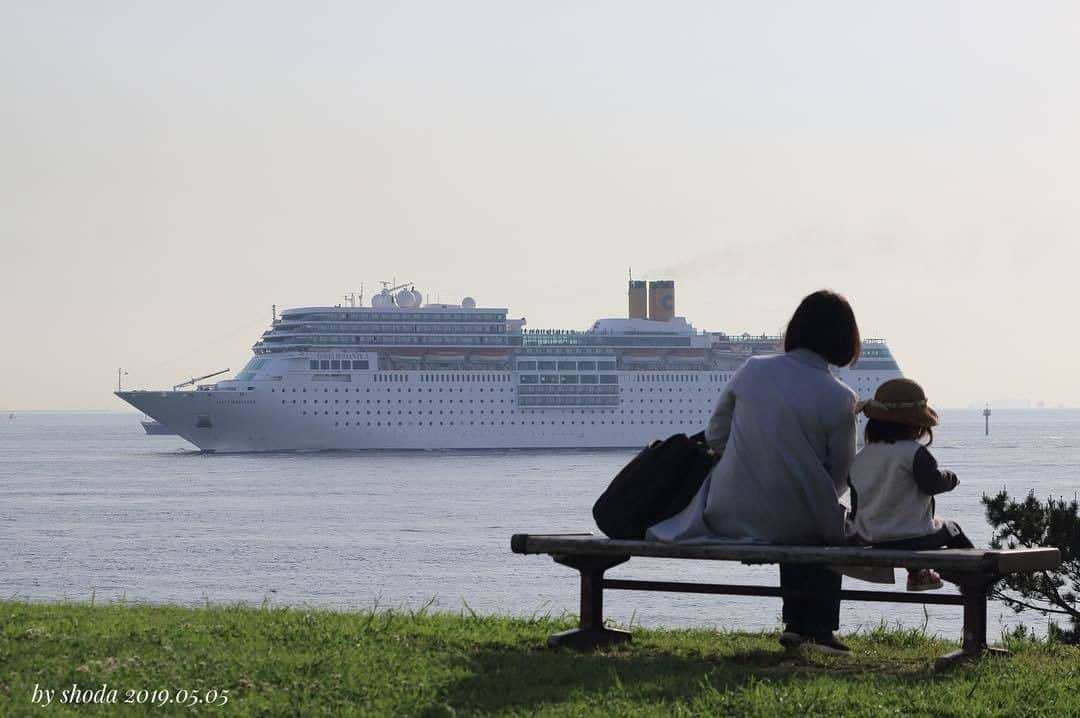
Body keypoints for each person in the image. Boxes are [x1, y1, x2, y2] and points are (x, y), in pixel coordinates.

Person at [647, 289, 861, 654]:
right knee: (817, 523)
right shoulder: (840, 396)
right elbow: (841, 476)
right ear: (845, 339)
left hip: (726, 514)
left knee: (793, 517)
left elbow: (715, 436)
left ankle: (799, 627)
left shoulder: (753, 369)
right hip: (797, 522)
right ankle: (815, 630)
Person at [848, 378, 973, 591]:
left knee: (905, 522)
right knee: (952, 529)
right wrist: (951, 478)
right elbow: (932, 483)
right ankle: (971, 582)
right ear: (916, 426)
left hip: (871, 536)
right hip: (913, 538)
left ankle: (919, 574)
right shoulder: (913, 453)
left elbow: (856, 502)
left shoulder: (860, 458)